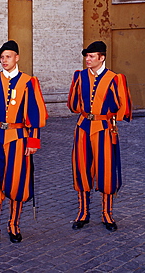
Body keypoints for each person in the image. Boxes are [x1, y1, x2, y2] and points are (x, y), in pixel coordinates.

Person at [0, 40, 48, 245]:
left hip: (19, 138)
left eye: (8, 56)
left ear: (17, 58)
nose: (5, 60)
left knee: (17, 182)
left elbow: (35, 113)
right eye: (2, 58)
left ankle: (13, 224)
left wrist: (33, 141)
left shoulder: (29, 82)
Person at [67, 41, 132, 232]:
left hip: (104, 128)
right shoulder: (79, 77)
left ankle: (107, 214)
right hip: (83, 127)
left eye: (91, 56)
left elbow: (124, 107)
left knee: (107, 170)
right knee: (81, 168)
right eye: (86, 56)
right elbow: (73, 104)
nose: (87, 59)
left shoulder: (115, 78)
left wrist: (110, 116)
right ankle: (83, 213)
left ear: (101, 58)